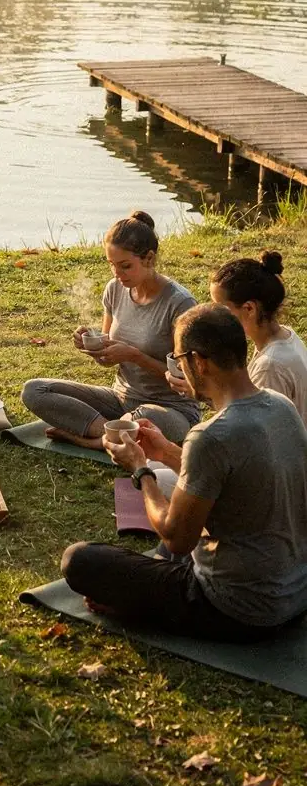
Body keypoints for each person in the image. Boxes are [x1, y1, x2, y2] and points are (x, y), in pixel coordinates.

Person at [61, 304, 307, 641]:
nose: (177, 367)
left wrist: (141, 471)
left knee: (79, 560)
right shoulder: (282, 406)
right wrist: (164, 451)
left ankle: (141, 606)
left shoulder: (211, 435)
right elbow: (234, 480)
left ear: (199, 362)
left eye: (178, 359)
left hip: (239, 608)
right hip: (295, 592)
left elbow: (177, 537)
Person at [21, 211, 199, 449]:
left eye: (125, 266)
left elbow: (190, 378)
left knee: (144, 418)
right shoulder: (115, 289)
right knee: (34, 390)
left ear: (149, 258)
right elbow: (107, 359)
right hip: (119, 399)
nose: (117, 274)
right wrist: (93, 346)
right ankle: (114, 433)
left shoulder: (180, 304)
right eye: (112, 266)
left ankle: (89, 439)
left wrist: (135, 356)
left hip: (170, 409)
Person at [210, 251, 307, 425]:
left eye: (221, 309)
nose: (216, 316)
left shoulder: (270, 367)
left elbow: (253, 432)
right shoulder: (286, 335)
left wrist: (207, 392)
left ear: (249, 309)